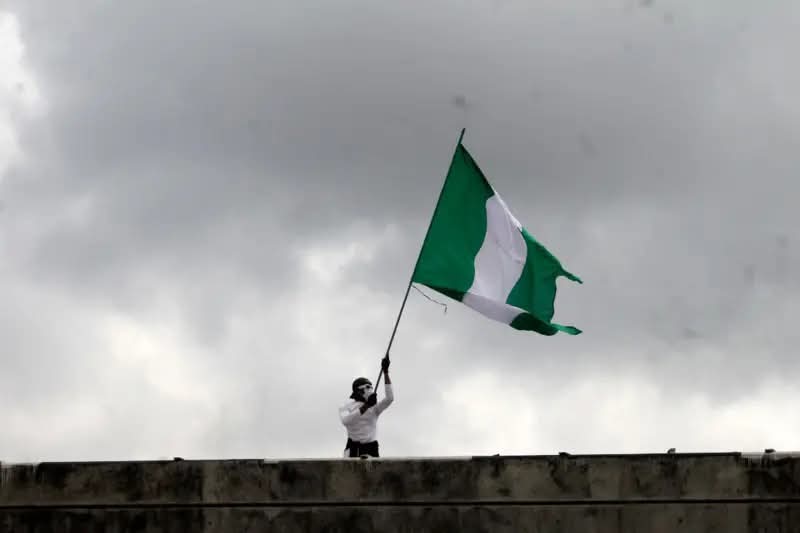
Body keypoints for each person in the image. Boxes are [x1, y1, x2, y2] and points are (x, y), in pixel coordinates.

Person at [339, 356, 394, 458]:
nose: (371, 390)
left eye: (371, 387)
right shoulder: (345, 407)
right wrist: (367, 405)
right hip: (352, 450)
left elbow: (389, 398)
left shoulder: (375, 408)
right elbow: (346, 420)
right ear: (359, 391)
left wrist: (386, 372)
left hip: (371, 450)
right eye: (368, 387)